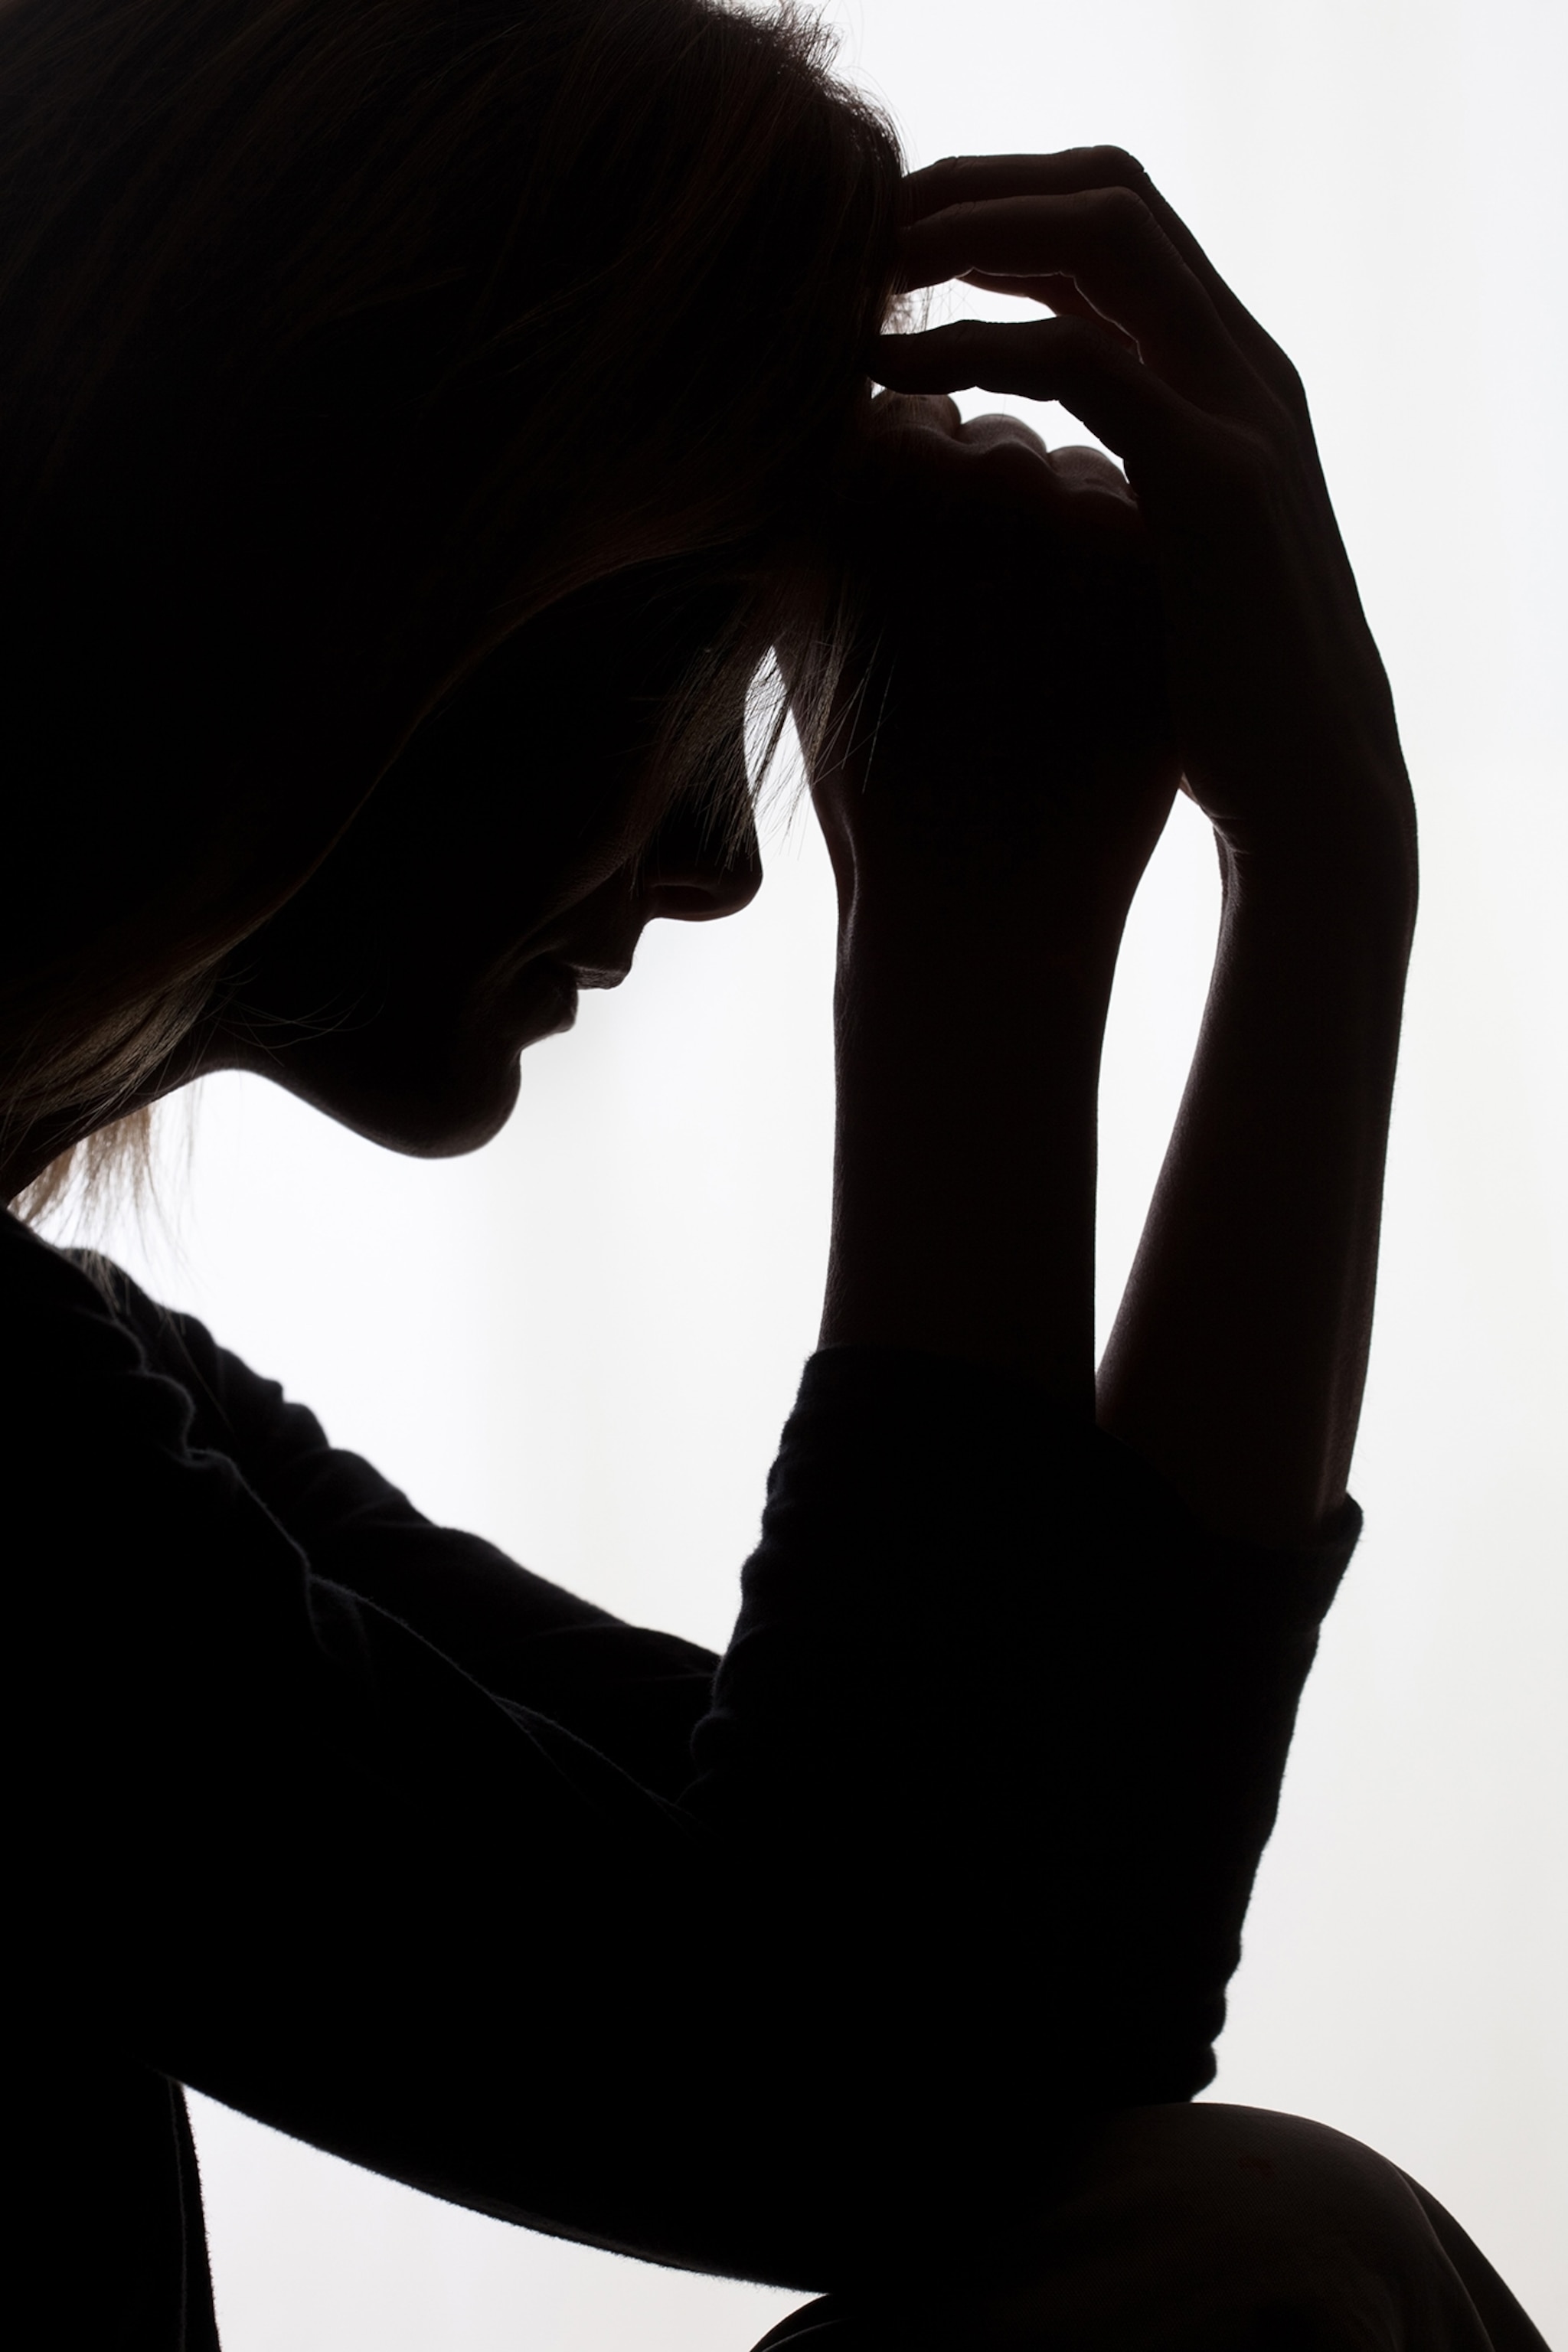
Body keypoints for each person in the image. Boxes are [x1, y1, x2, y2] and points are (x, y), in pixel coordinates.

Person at [0, 2, 1546, 2346]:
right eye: (697, 663)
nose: (731, 865)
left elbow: (995, 1986)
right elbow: (881, 2082)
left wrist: (1321, 881)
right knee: (1259, 2288)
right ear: (383, 571)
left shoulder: (71, 1404)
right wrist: (983, 945)